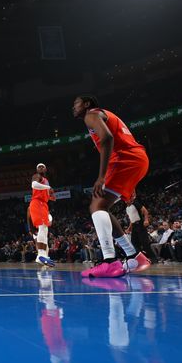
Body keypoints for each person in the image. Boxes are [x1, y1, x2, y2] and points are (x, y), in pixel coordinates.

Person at [73, 95, 152, 278]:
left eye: (76, 104)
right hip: (136, 160)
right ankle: (134, 257)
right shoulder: (103, 114)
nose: (73, 108)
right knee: (103, 207)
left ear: (86, 104)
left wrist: (101, 177)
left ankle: (110, 261)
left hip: (125, 159)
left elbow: (107, 138)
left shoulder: (91, 114)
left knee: (96, 205)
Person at [27, 163, 56, 267]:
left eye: (42, 166)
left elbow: (49, 196)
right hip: (37, 202)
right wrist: (48, 187)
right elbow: (33, 185)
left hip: (43, 204)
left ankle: (42, 255)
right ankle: (40, 255)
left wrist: (51, 196)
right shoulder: (37, 176)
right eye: (39, 166)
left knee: (45, 229)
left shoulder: (45, 181)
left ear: (46, 169)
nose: (41, 168)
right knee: (42, 227)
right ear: (36, 169)